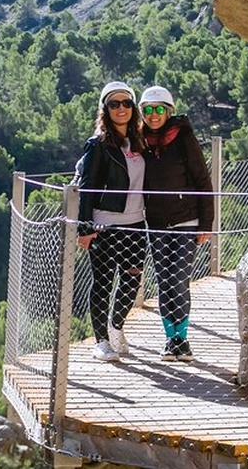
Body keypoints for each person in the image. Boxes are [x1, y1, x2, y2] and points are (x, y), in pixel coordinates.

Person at [140, 85, 213, 362]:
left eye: (159, 109)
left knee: (179, 279)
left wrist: (206, 223)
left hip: (187, 220)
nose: (154, 115)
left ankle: (183, 337)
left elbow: (203, 180)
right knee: (163, 280)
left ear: (169, 111)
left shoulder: (183, 137)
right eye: (148, 110)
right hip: (156, 222)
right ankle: (170, 339)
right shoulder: (139, 141)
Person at [76, 81, 147, 362]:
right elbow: (88, 186)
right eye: (114, 104)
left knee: (132, 280)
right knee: (103, 282)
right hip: (104, 224)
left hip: (136, 223)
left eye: (127, 103)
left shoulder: (141, 141)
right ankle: (102, 342)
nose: (121, 109)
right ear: (105, 109)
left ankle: (115, 326)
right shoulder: (98, 144)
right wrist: (84, 227)